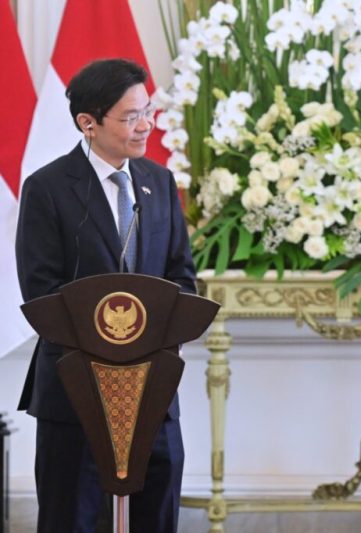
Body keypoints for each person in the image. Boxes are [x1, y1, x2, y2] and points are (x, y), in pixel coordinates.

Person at [15, 58, 196, 533]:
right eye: (131, 116)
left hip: (152, 387)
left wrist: (149, 341)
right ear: (88, 123)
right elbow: (41, 292)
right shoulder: (48, 189)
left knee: (156, 512)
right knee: (72, 516)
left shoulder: (159, 183)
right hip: (75, 391)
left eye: (148, 112)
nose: (145, 126)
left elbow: (183, 278)